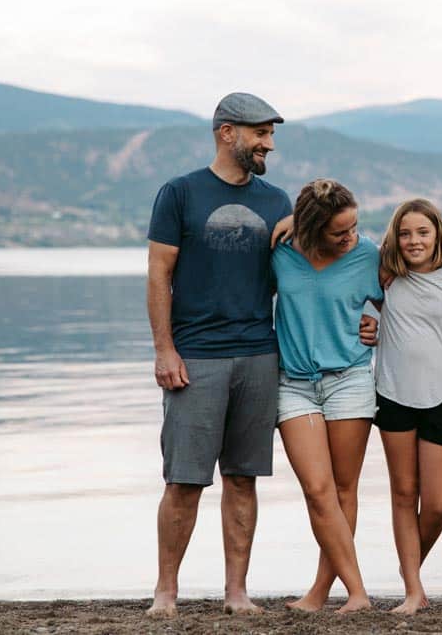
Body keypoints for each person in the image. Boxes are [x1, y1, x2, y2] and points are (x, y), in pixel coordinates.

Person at [145, 92, 290, 617]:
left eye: (270, 134)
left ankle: (237, 592)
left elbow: (299, 276)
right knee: (183, 480)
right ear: (227, 133)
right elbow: (159, 273)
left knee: (243, 477)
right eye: (260, 133)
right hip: (197, 356)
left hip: (259, 354)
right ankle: (166, 590)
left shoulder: (278, 202)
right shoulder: (180, 193)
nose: (268, 144)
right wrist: (165, 349)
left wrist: (365, 317)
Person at [272, 179, 383, 614]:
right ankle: (356, 590)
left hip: (350, 379)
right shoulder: (279, 252)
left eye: (353, 226)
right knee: (317, 490)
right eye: (339, 231)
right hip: (293, 384)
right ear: (312, 228)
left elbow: (407, 307)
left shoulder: (368, 255)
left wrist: (379, 327)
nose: (349, 237)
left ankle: (324, 592)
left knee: (342, 488)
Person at [374, 199, 442, 614]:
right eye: (406, 233)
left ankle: (407, 568)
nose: (414, 241)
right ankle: (414, 589)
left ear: (437, 235)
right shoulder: (385, 275)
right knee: (403, 493)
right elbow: (335, 244)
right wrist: (368, 323)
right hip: (393, 395)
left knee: (436, 504)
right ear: (395, 237)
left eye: (422, 232)